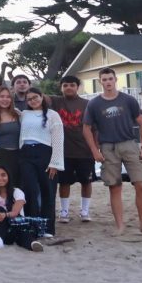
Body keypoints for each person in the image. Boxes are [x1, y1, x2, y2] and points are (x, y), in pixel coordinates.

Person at [17, 89, 64, 237]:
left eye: (35, 97)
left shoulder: (52, 115)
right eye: (29, 99)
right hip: (26, 154)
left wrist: (55, 162)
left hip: (45, 153)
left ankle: (48, 228)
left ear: (42, 97)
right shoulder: (23, 114)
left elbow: (58, 139)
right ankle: (32, 225)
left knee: (47, 190)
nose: (33, 101)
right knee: (29, 190)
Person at [52, 75, 95, 223]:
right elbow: (37, 96)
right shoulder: (56, 101)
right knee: (64, 182)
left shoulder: (88, 104)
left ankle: (85, 211)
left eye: (72, 85)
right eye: (65, 85)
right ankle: (64, 212)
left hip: (85, 150)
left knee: (86, 181)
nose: (68, 87)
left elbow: (95, 128)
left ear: (78, 87)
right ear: (61, 87)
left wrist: (96, 148)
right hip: (63, 151)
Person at [0, 166, 44, 252]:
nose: (0, 178)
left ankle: (32, 244)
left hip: (15, 225)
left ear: (8, 176)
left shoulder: (17, 192)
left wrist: (4, 215)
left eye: (3, 175)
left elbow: (15, 212)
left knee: (22, 233)